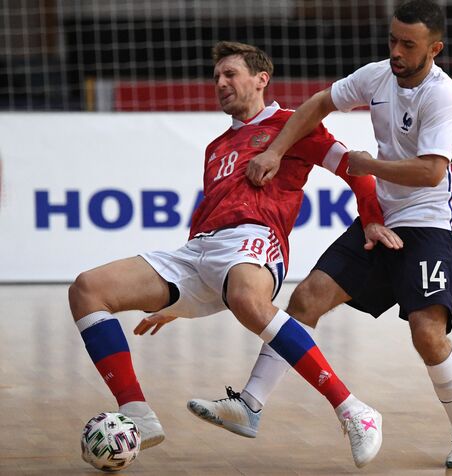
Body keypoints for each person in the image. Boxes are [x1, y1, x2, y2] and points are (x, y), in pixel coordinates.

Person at [170, 1, 452, 470]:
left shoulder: (443, 96)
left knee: (426, 333)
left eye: (408, 44)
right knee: (305, 302)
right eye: (392, 39)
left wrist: (368, 165)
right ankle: (249, 405)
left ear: (434, 49)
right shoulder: (378, 75)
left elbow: (431, 171)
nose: (396, 51)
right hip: (383, 217)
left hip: (433, 222)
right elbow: (319, 103)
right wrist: (277, 150)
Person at [69, 40, 402, 469]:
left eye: (230, 74)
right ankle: (137, 412)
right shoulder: (216, 147)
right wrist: (178, 300)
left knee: (248, 300)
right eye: (216, 78)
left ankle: (353, 409)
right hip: (199, 249)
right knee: (87, 289)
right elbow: (208, 215)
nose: (220, 83)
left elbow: (356, 170)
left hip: (255, 238)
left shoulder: (291, 125)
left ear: (261, 79)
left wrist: (372, 219)